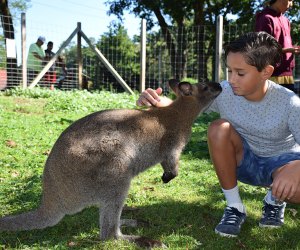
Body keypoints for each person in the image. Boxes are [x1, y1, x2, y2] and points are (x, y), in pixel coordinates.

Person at [136, 32, 300, 238]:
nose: (231, 79)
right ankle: (234, 208)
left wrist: (297, 168)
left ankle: (274, 201)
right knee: (218, 127)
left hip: (283, 165)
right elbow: (186, 106)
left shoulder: (290, 103)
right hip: (244, 161)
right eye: (229, 70)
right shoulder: (225, 92)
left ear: (266, 72)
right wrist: (156, 102)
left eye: (240, 73)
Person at [255, 0, 300, 92]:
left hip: (287, 74)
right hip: (272, 76)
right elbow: (263, 48)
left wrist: (294, 49)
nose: (291, 4)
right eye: (290, 0)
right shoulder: (265, 18)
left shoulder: (286, 20)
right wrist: (288, 50)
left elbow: (284, 44)